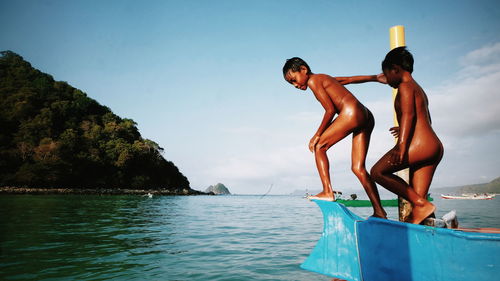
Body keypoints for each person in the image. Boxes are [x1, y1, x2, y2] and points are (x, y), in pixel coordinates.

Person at [337, 47, 443, 224]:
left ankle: (417, 208)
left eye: (387, 74)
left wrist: (401, 145)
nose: (386, 80)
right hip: (433, 146)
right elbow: (424, 118)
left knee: (378, 172)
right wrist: (401, 127)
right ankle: (428, 230)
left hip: (419, 145)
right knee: (420, 206)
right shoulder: (417, 88)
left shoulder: (405, 87)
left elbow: (409, 115)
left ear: (395, 69)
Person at [282, 57, 386, 219]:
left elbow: (329, 110)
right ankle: (380, 212)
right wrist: (375, 78)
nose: (295, 85)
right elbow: (348, 80)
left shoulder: (313, 81)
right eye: (291, 84)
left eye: (294, 80)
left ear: (303, 69)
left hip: (351, 112)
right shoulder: (325, 78)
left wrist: (316, 135)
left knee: (319, 147)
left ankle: (327, 191)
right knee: (358, 168)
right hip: (365, 115)